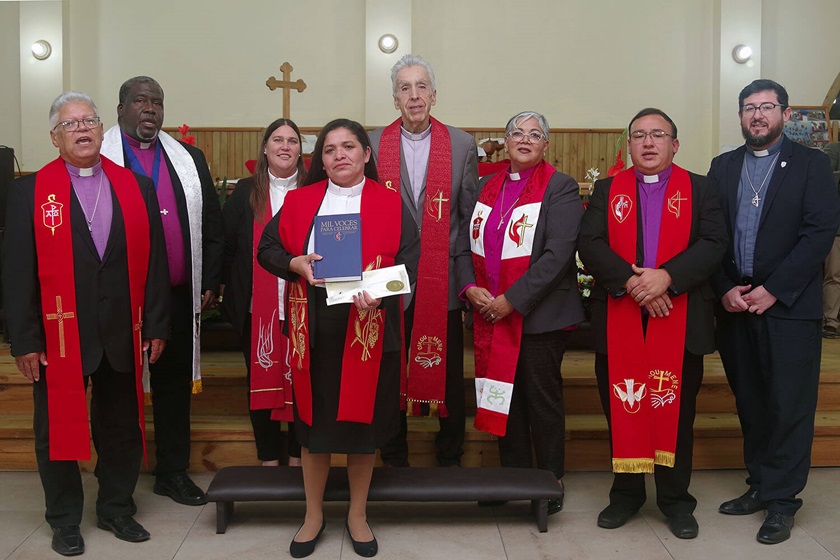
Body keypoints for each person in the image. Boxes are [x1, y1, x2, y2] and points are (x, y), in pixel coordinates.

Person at [3, 91, 170, 556]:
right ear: (55, 137)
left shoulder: (135, 187)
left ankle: (116, 508)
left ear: (101, 129)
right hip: (58, 336)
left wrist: (155, 323)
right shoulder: (30, 191)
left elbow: (155, 263)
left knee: (120, 429)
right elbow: (16, 272)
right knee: (56, 430)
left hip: (123, 330)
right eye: (71, 123)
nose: (82, 129)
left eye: (89, 121)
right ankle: (63, 519)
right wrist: (24, 339)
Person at [258, 119, 419, 558]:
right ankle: (312, 515)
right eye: (330, 150)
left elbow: (410, 262)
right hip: (315, 332)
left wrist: (379, 291)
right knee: (313, 429)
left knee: (361, 428)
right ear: (320, 160)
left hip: (368, 329)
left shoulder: (389, 202)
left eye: (349, 147)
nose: (339, 155)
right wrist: (295, 263)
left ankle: (357, 515)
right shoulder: (299, 201)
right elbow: (267, 249)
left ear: (367, 154)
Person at [578, 108, 727, 539]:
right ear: (629, 145)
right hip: (621, 317)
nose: (648, 142)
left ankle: (676, 500)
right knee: (621, 408)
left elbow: (715, 242)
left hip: (681, 318)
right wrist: (632, 280)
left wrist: (667, 278)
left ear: (674, 145)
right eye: (639, 135)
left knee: (676, 413)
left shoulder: (701, 189)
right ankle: (625, 494)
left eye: (657, 135)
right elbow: (590, 243)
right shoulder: (608, 189)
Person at [709, 79, 840, 544]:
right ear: (740, 116)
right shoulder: (723, 166)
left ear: (784, 113)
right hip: (736, 307)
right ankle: (760, 486)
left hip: (787, 308)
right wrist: (725, 288)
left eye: (767, 107)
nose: (758, 115)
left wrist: (774, 290)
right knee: (752, 403)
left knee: (789, 405)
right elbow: (713, 236)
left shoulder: (811, 164)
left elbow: (819, 232)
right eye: (749, 108)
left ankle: (784, 502)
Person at [100, 76, 224, 506]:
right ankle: (117, 480)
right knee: (117, 390)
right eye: (139, 101)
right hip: (115, 301)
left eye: (156, 102)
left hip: (174, 295)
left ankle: (171, 471)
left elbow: (212, 225)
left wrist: (208, 279)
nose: (149, 109)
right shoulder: (99, 158)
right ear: (120, 111)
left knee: (172, 389)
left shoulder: (187, 157)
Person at [459, 111, 583, 513]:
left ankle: (549, 482)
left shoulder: (561, 188)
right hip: (490, 312)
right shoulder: (484, 187)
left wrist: (511, 300)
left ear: (546, 144)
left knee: (540, 400)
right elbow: (463, 245)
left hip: (539, 317)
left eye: (535, 134)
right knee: (503, 397)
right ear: (506, 143)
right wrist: (469, 288)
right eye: (517, 133)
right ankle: (511, 477)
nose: (525, 139)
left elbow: (558, 254)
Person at [368, 54, 478, 467]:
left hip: (440, 276)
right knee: (390, 367)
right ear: (395, 98)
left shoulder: (463, 144)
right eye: (404, 88)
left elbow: (468, 218)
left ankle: (450, 456)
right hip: (389, 275)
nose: (414, 96)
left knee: (448, 371)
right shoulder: (373, 143)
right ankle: (393, 456)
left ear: (434, 95)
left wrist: (467, 279)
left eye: (421, 87)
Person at [221, 118, 303, 466]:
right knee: (260, 383)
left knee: (303, 388)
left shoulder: (317, 189)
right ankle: (269, 460)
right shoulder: (244, 192)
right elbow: (226, 247)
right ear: (266, 147)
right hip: (258, 308)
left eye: (293, 141)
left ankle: (301, 460)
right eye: (278, 140)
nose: (285, 147)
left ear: (302, 150)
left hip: (304, 307)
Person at [820, 141, 840, 338]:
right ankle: (831, 321)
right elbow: (827, 180)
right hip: (837, 229)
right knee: (834, 275)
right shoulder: (834, 149)